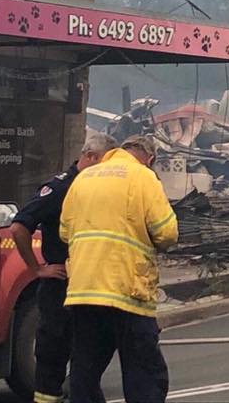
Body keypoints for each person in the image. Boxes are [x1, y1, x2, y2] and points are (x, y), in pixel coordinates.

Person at [59, 134, 178, 403]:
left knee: (85, 369)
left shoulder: (83, 179)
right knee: (144, 372)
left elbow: (65, 232)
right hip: (127, 291)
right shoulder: (143, 178)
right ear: (150, 158)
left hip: (83, 290)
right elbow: (167, 233)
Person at [11, 131, 116, 403]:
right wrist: (37, 269)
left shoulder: (93, 189)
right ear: (90, 156)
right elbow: (20, 227)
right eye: (103, 163)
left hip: (86, 285)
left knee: (86, 354)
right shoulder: (60, 188)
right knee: (52, 355)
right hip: (59, 287)